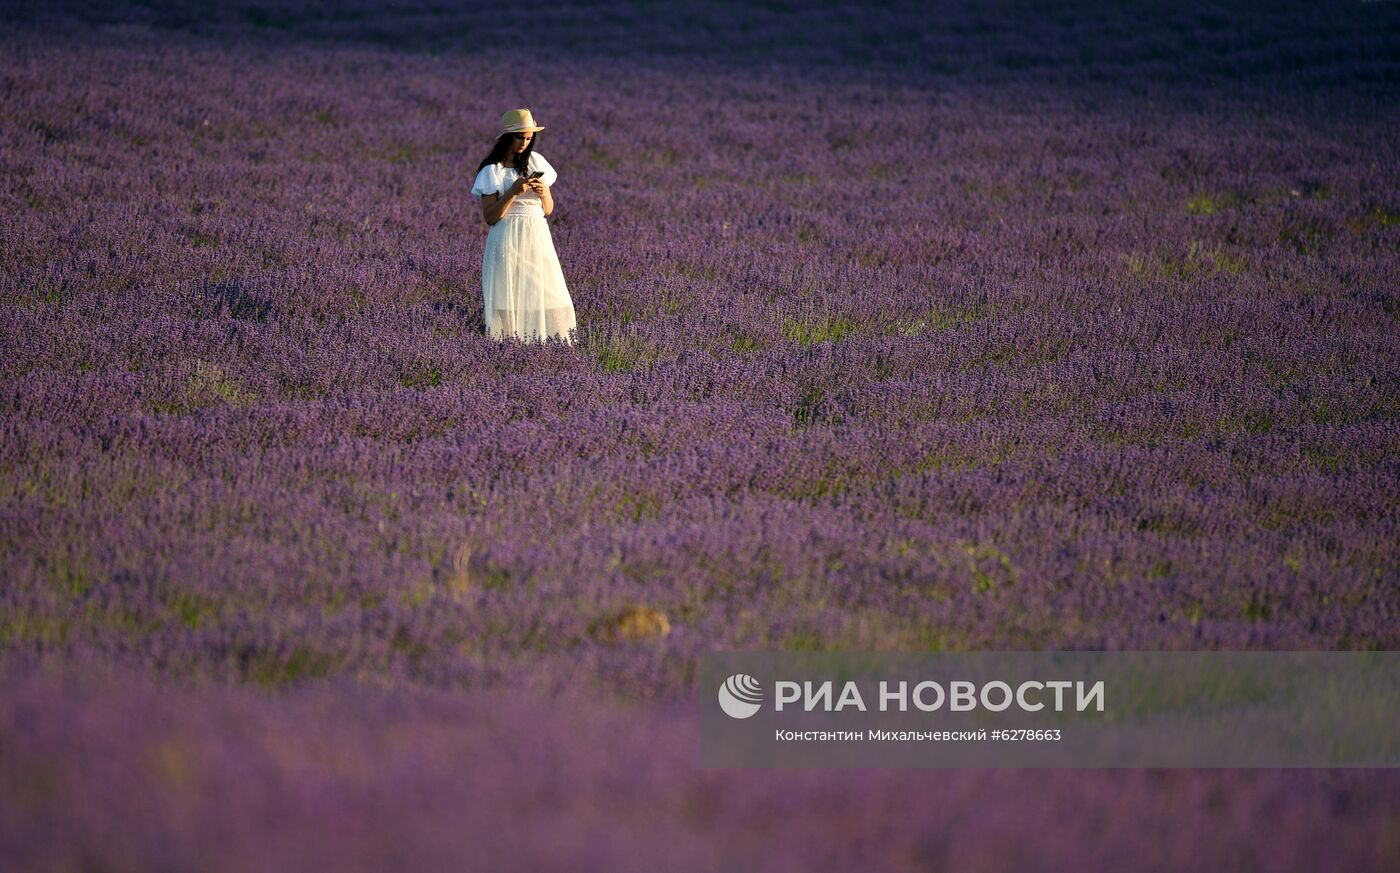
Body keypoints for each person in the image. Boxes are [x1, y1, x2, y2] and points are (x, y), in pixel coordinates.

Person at [470, 109, 578, 344]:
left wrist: (544, 192)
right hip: (507, 236)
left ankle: (552, 348)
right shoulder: (492, 170)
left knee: (552, 293)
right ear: (508, 137)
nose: (525, 143)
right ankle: (509, 350)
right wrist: (512, 192)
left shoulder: (536, 162)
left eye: (529, 138)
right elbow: (490, 217)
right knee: (508, 296)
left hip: (537, 236)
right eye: (520, 137)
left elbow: (548, 210)